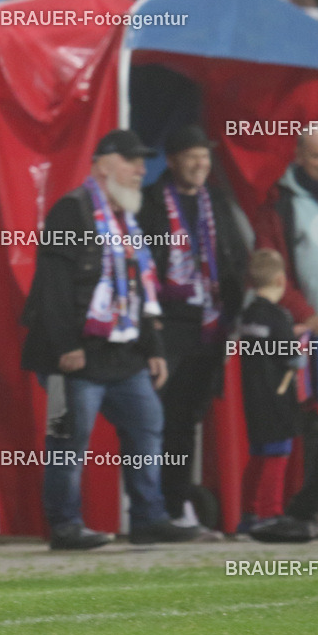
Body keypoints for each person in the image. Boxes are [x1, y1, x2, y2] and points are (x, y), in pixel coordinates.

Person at [21, 129, 208, 550]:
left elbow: (140, 289)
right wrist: (66, 345)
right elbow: (51, 286)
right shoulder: (71, 211)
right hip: (70, 357)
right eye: (132, 160)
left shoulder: (126, 217)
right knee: (67, 440)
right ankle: (65, 526)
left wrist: (154, 349)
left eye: (143, 161)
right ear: (103, 164)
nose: (142, 169)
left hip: (123, 356)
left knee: (148, 425)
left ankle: (148, 518)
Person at [137, 125, 247, 533]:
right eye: (192, 155)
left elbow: (235, 254)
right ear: (172, 160)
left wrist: (233, 309)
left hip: (209, 327)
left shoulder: (215, 201)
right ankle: (147, 508)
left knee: (186, 422)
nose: (201, 163)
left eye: (206, 155)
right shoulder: (149, 203)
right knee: (154, 421)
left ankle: (176, 503)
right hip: (167, 326)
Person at [249, 130, 318, 543]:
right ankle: (296, 512)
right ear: (298, 156)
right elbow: (270, 269)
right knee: (309, 426)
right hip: (305, 334)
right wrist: (309, 317)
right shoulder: (280, 205)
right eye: (314, 156)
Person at [238, 250, 303, 532]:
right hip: (277, 397)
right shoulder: (278, 317)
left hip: (253, 395)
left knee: (259, 454)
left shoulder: (249, 315)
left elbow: (262, 345)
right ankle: (270, 513)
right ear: (281, 279)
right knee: (277, 453)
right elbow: (289, 354)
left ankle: (249, 513)